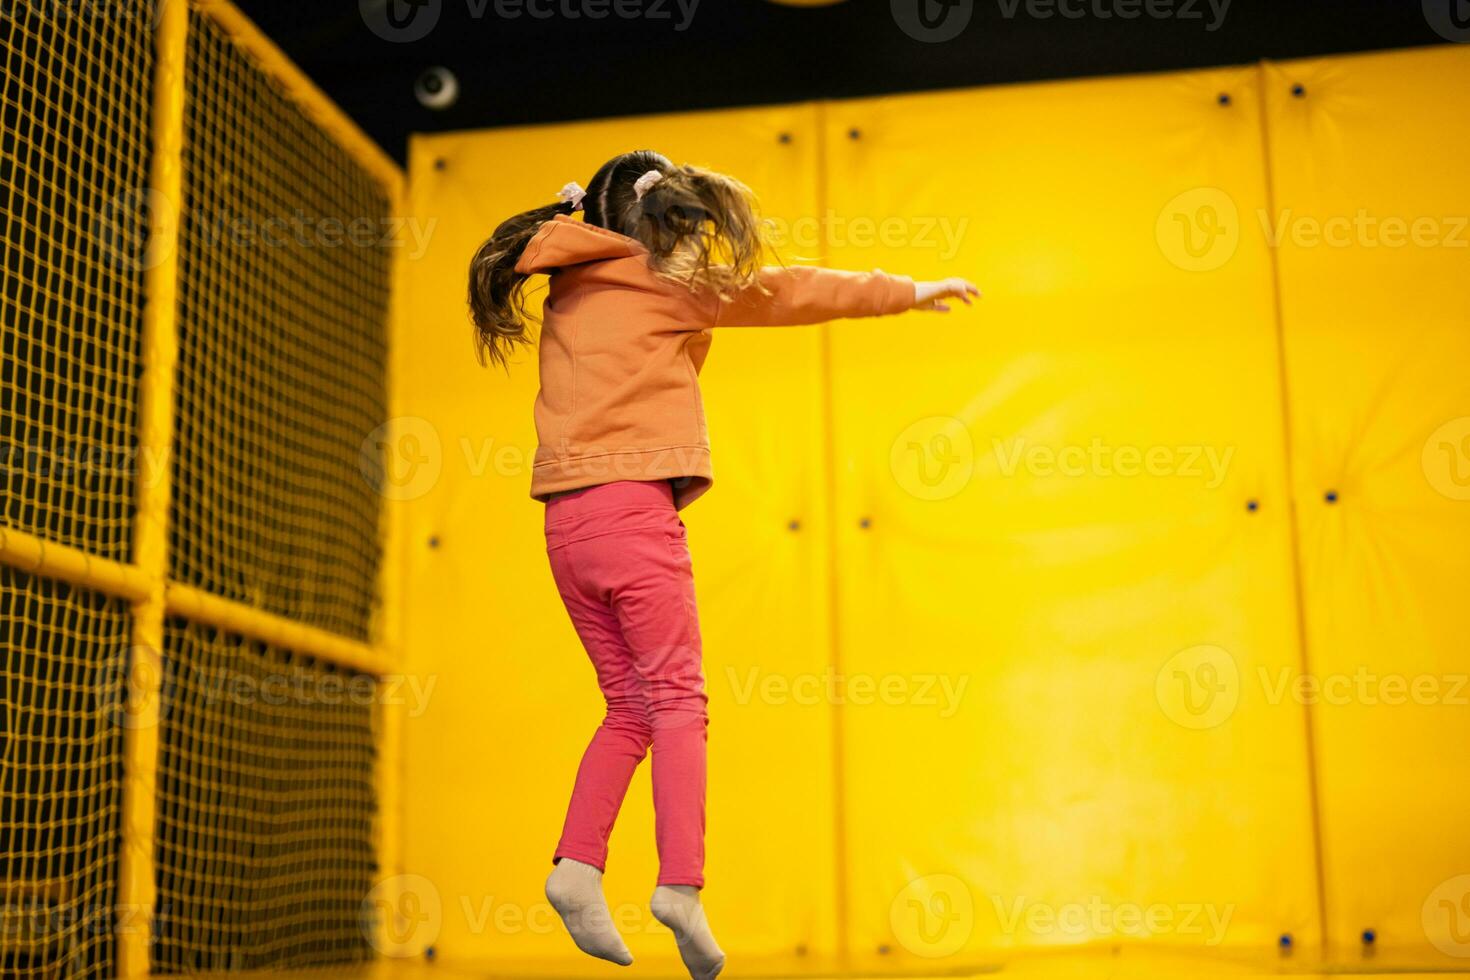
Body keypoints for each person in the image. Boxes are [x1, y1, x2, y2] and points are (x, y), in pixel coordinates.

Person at [467, 149, 979, 980]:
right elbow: (793, 291)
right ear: (662, 235)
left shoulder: (568, 287)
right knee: (678, 702)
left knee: (626, 706)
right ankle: (680, 886)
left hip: (565, 528)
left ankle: (576, 867)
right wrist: (906, 291)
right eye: (690, 240)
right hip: (634, 515)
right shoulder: (666, 285)